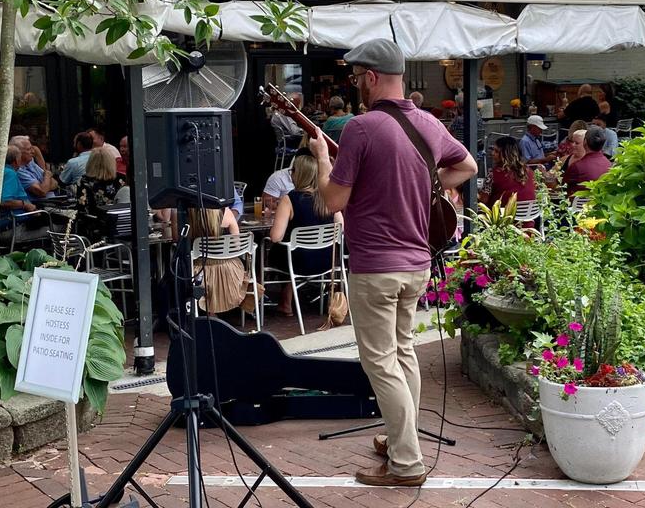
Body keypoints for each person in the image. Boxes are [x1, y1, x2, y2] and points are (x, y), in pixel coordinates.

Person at [310, 38, 477, 487]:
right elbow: (468, 167)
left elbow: (332, 199)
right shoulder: (428, 123)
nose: (356, 84)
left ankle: (407, 463)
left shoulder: (361, 128)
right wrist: (427, 185)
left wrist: (324, 160)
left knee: (380, 362)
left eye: (356, 77)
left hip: (375, 266)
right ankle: (398, 438)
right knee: (403, 354)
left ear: (369, 77)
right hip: (417, 264)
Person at [267, 155, 341, 317]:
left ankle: (255, 299)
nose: (291, 173)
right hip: (327, 261)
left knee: (266, 250)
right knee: (289, 248)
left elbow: (275, 237)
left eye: (293, 170)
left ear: (299, 174)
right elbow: (341, 227)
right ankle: (285, 300)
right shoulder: (326, 196)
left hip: (299, 262)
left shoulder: (289, 199)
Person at [187, 207, 256, 316]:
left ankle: (206, 310)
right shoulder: (226, 213)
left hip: (197, 273)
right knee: (244, 264)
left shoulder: (186, 214)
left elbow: (177, 240)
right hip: (229, 272)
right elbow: (237, 246)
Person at [75, 148, 127, 235]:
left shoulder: (84, 181)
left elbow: (81, 208)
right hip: (121, 226)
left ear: (91, 163)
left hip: (94, 230)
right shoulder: (122, 179)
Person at [479, 136, 536, 207]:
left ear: (506, 155)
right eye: (493, 150)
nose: (492, 153)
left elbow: (483, 200)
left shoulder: (494, 173)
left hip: (504, 215)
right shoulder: (529, 171)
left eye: (496, 151)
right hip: (529, 215)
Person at [561, 126, 612, 197]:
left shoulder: (577, 166)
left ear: (584, 142)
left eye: (577, 143)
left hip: (577, 207)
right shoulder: (609, 165)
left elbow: (562, 187)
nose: (573, 145)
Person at [10, 135, 57, 201]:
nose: (33, 152)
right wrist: (47, 176)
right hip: (38, 206)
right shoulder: (17, 170)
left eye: (32, 148)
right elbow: (42, 191)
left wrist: (45, 185)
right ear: (18, 152)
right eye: (29, 149)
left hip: (52, 201)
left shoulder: (30, 162)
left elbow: (55, 183)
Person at [0, 146, 37, 216]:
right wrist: (25, 204)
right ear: (16, 160)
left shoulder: (3, 170)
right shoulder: (10, 173)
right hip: (16, 217)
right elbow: (5, 201)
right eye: (20, 158)